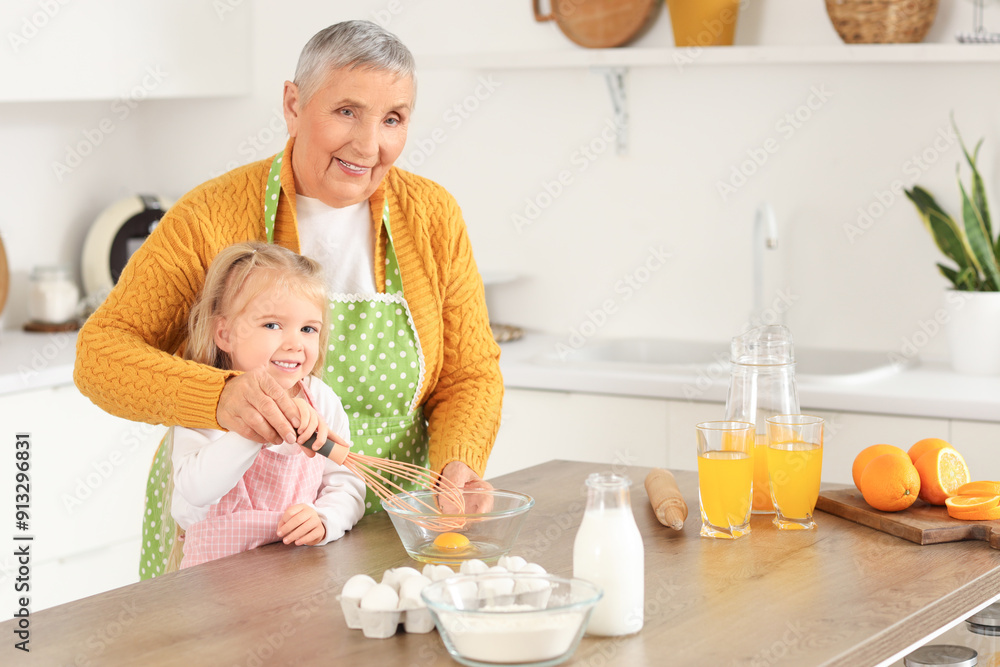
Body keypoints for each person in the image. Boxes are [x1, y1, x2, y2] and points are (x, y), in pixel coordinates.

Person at [74, 20, 503, 579]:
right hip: (231, 541)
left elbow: (469, 374)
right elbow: (100, 355)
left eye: (392, 119)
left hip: (391, 520)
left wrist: (458, 463)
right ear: (293, 104)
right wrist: (221, 397)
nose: (369, 145)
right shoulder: (210, 216)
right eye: (347, 111)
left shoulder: (432, 215)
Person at [169, 242, 365, 570]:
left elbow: (346, 483)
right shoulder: (206, 400)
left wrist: (325, 519)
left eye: (308, 329)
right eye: (272, 325)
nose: (294, 343)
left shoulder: (321, 400)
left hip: (296, 578)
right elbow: (194, 491)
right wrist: (257, 424)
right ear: (225, 333)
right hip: (215, 590)